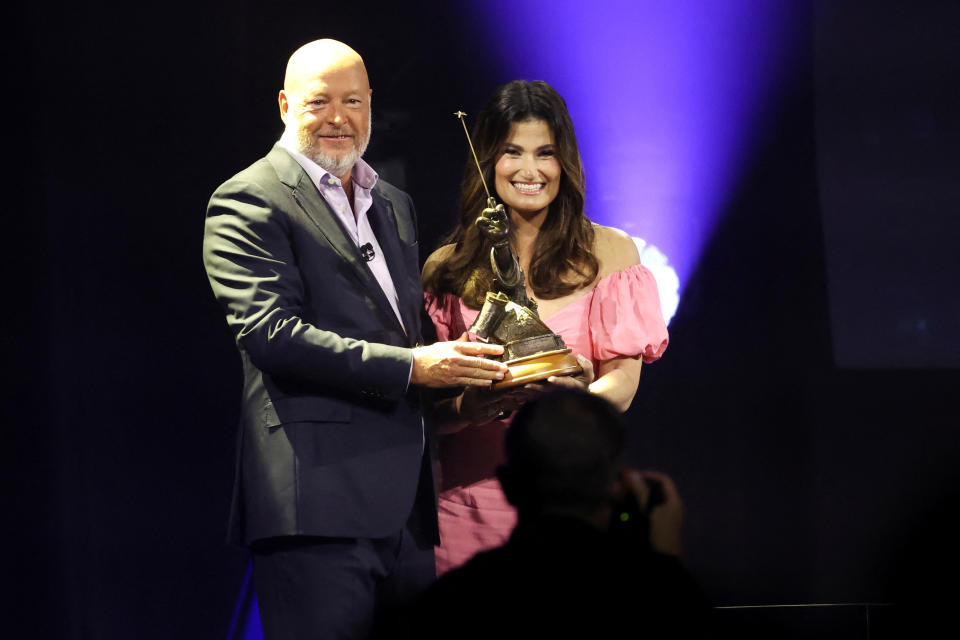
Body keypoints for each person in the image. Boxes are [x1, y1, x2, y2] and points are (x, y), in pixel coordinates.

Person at [202, 39, 508, 640]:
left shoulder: (391, 203)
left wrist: (474, 381)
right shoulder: (247, 198)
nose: (338, 117)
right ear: (286, 104)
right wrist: (416, 369)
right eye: (320, 102)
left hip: (407, 510)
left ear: (371, 106)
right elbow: (273, 336)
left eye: (353, 101)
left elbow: (405, 331)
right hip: (316, 506)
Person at [421, 80, 670, 574]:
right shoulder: (445, 267)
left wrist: (572, 400)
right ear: (489, 161)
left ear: (565, 164)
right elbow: (431, 408)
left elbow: (622, 385)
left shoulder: (613, 253)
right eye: (512, 152)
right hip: (465, 506)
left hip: (572, 503)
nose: (530, 171)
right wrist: (472, 405)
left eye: (546, 153)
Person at [396, 388, 711, 639]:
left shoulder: (454, 600)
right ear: (621, 484)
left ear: (507, 485)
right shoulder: (657, 598)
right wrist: (668, 560)